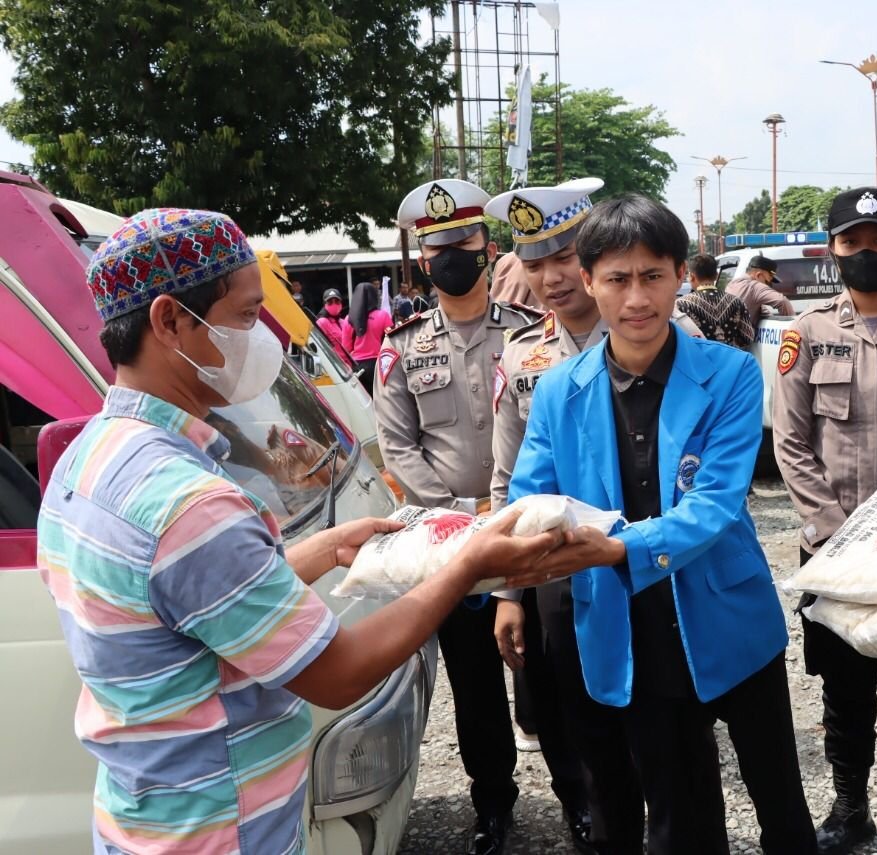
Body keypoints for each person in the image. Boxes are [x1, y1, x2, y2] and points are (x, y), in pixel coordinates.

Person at [38, 207, 580, 855]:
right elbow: (336, 673)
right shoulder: (187, 502)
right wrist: (465, 564)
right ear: (170, 321)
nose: (258, 340)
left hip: (144, 819)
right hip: (226, 831)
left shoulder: (90, 457)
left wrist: (319, 551)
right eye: (245, 316)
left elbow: (188, 607)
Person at [508, 194, 816, 855]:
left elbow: (715, 503)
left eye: (652, 276)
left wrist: (614, 547)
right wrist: (495, 565)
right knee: (681, 807)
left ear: (681, 274)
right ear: (589, 281)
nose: (637, 298)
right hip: (629, 621)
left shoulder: (730, 374)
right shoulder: (559, 389)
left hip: (728, 611)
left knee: (781, 802)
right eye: (617, 278)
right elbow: (529, 496)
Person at [773, 187, 877, 855]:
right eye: (853, 242)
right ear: (833, 250)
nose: (866, 252)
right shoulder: (806, 333)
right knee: (845, 694)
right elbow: (791, 443)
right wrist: (835, 531)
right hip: (832, 551)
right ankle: (851, 810)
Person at [375, 179, 541, 855]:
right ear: (422, 260)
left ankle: (582, 793)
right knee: (474, 685)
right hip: (450, 543)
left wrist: (509, 508)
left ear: (487, 247)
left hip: (531, 526)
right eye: (436, 247)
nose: (450, 256)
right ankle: (493, 802)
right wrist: (464, 513)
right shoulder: (401, 346)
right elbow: (397, 447)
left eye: (463, 242)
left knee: (549, 669)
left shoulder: (530, 334)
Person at [486, 177, 645, 853]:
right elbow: (508, 480)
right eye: (533, 262)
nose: (550, 277)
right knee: (571, 712)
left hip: (643, 555)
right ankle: (593, 820)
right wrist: (508, 593)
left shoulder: (651, 329)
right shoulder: (521, 352)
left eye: (562, 257)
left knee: (657, 718)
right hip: (559, 569)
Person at [675, 254, 754, 348]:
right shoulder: (737, 302)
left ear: (692, 276)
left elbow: (676, 340)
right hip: (729, 356)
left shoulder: (682, 304)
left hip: (697, 356)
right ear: (716, 275)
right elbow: (747, 337)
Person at [342, 280, 393, 394]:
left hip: (357, 366)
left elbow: (346, 347)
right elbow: (391, 340)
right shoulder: (383, 315)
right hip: (378, 364)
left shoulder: (349, 319)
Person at [725, 253, 794, 326]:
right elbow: (782, 301)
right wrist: (792, 326)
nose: (768, 286)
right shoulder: (754, 287)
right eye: (767, 282)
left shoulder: (731, 284)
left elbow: (758, 308)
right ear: (758, 275)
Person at [317, 287, 354, 368]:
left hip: (349, 365)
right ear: (324, 304)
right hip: (336, 366)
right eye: (330, 302)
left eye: (337, 301)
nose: (334, 304)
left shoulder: (343, 322)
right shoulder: (322, 322)